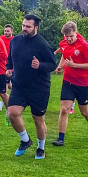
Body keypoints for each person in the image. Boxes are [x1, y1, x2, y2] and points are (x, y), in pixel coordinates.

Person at [6, 14, 57, 159]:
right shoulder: (15, 40)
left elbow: (52, 64)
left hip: (39, 88)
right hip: (19, 85)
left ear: (36, 28)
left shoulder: (42, 44)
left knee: (38, 119)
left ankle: (41, 148)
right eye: (23, 25)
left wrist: (39, 65)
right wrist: (9, 68)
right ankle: (25, 140)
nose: (24, 29)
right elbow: (10, 57)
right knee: (12, 113)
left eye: (28, 26)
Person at [53, 21, 88, 146]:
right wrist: (60, 66)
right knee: (64, 109)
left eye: (71, 36)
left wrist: (74, 65)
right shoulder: (63, 43)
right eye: (67, 37)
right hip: (68, 81)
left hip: (83, 83)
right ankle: (61, 138)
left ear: (76, 33)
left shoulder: (84, 45)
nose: (69, 39)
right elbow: (64, 53)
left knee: (84, 112)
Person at [0, 24, 15, 112]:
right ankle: (22, 92)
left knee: (4, 86)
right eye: (5, 31)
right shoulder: (0, 39)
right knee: (9, 85)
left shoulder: (14, 40)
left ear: (12, 31)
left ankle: (1, 105)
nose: (6, 33)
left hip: (10, 67)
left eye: (8, 31)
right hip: (1, 65)